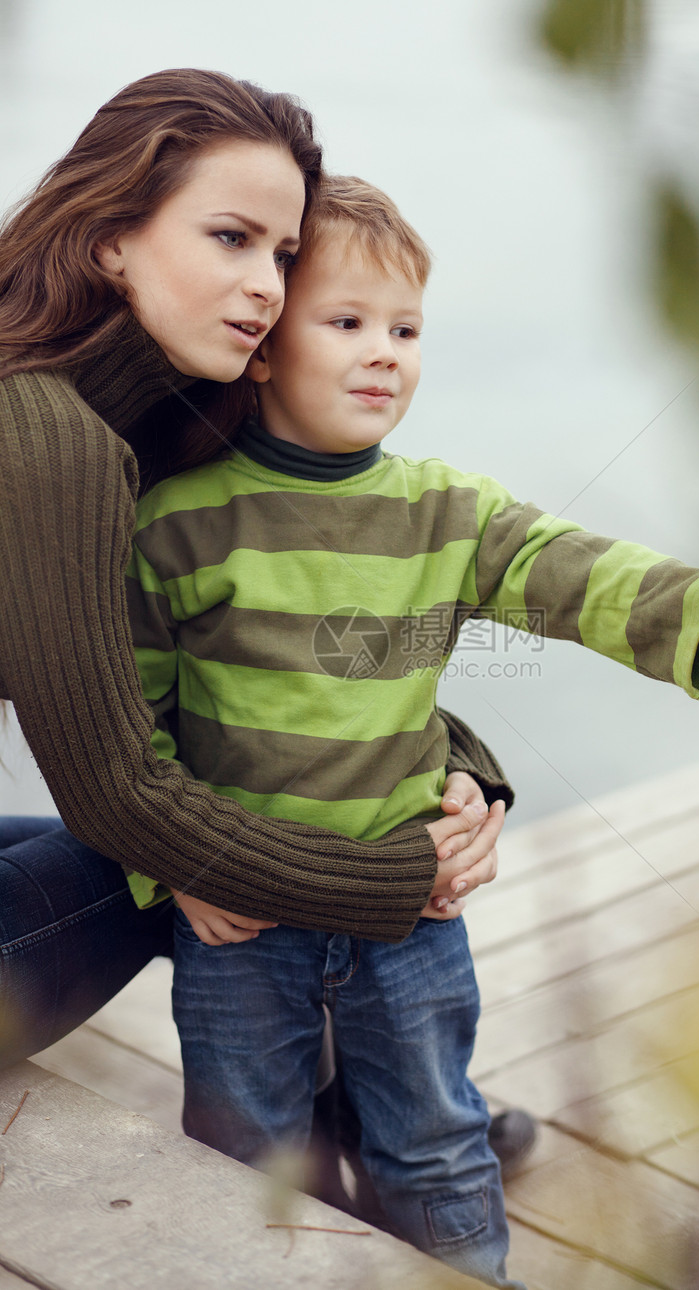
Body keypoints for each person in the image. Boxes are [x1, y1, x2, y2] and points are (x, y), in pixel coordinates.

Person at [124, 174, 699, 1288]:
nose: (384, 353)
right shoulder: (180, 523)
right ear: (263, 346)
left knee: (435, 1142)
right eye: (347, 323)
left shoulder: (442, 510)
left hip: (410, 909)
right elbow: (133, 724)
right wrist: (168, 874)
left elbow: (566, 569)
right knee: (238, 1154)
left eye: (405, 329)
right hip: (239, 928)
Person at [0, 71, 511, 1088]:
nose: (268, 286)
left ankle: (398, 1117)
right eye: (230, 239)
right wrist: (407, 867)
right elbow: (120, 794)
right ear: (110, 238)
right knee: (156, 858)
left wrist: (452, 757)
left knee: (207, 837)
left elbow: (235, 656)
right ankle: (401, 1123)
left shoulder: (143, 425)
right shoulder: (49, 437)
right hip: (126, 820)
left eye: (282, 254)